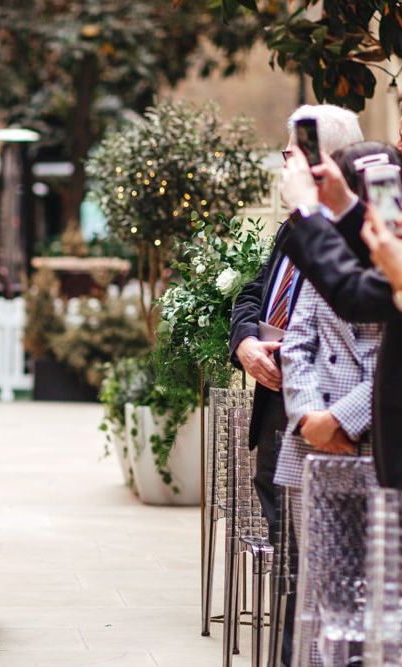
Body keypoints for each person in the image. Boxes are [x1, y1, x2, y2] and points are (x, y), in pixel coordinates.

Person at [229, 104, 362, 664]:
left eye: (289, 153)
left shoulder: (353, 231)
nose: (282, 163)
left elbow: (366, 331)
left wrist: (325, 415)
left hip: (338, 431)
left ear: (317, 160)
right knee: (291, 563)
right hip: (280, 412)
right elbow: (253, 295)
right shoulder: (293, 226)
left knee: (323, 574)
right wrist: (245, 344)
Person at [273, 142, 392, 666]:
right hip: (315, 445)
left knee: (383, 604)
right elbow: (297, 340)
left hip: (378, 440)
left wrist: (340, 419)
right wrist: (307, 418)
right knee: (323, 598)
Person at [279, 145, 402, 489]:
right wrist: (343, 205)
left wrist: (306, 212)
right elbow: (298, 340)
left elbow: (356, 294)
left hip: (374, 440)